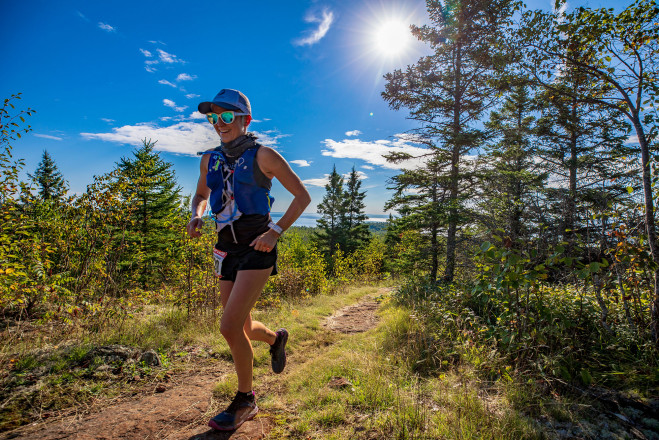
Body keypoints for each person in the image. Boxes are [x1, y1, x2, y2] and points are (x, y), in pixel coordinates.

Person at [186, 89, 310, 431]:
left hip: (258, 248)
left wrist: (275, 232)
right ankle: (275, 339)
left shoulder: (264, 156)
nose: (219, 124)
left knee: (227, 326)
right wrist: (196, 215)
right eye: (213, 117)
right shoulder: (209, 159)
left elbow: (302, 196)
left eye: (226, 116)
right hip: (225, 248)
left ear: (245, 119)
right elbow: (201, 194)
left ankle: (246, 400)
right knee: (242, 326)